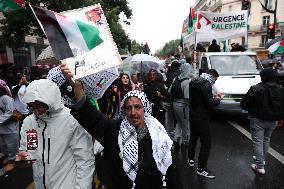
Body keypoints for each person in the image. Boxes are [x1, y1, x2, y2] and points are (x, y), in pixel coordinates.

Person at [61, 63, 175, 189]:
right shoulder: (114, 129)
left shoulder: (159, 137)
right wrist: (76, 86)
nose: (133, 112)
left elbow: (173, 176)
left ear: (145, 109)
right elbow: (91, 116)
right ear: (124, 111)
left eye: (137, 107)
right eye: (128, 108)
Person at [17, 79, 95, 189]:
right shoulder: (29, 122)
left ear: (51, 101)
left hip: (67, 184)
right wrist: (25, 157)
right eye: (32, 107)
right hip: (40, 184)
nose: (36, 111)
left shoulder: (71, 120)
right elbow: (30, 149)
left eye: (40, 106)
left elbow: (85, 159)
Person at [240, 68, 284, 175]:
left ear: (262, 77)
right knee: (266, 140)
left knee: (258, 142)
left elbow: (244, 104)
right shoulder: (280, 89)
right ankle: (261, 159)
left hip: (257, 119)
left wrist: (252, 110)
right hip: (273, 120)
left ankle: (259, 166)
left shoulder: (256, 88)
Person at [187, 69, 221, 179]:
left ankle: (190, 159)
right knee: (206, 143)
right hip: (202, 117)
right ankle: (201, 169)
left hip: (193, 114)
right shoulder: (206, 84)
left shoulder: (195, 81)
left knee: (193, 137)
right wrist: (218, 99)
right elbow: (210, 103)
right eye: (215, 79)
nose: (215, 81)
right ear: (212, 76)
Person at [172, 63, 194, 149]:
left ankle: (176, 139)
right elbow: (187, 96)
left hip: (175, 104)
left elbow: (171, 91)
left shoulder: (176, 78)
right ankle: (185, 141)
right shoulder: (187, 81)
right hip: (183, 105)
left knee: (178, 123)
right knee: (185, 124)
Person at [0, 79, 19, 164]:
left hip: (9, 127)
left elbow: (10, 111)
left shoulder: (6, 98)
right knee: (2, 145)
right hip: (1, 128)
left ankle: (12, 159)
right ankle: (7, 155)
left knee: (12, 145)